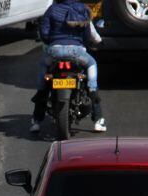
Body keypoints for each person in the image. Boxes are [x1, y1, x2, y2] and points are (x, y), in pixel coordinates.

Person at [30, 0, 105, 134]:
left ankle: (37, 116)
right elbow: (88, 36)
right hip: (76, 52)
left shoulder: (52, 10)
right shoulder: (84, 9)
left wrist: (53, 41)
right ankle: (97, 117)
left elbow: (44, 33)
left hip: (55, 52)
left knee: (43, 66)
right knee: (92, 64)